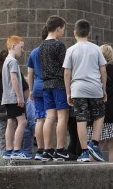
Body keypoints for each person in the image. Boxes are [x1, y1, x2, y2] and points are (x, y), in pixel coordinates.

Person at [63, 19, 107, 162]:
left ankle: (83, 153)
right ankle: (94, 143)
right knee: (99, 115)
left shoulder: (70, 50)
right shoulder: (96, 49)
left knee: (81, 119)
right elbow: (103, 70)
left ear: (74, 33)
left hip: (78, 88)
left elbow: (67, 73)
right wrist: (103, 88)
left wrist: (68, 92)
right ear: (90, 32)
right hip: (95, 87)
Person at [40, 15, 70, 161]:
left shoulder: (41, 46)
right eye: (63, 29)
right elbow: (66, 67)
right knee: (62, 117)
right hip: (59, 84)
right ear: (57, 29)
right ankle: (60, 149)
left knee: (49, 117)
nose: (63, 32)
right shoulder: (59, 45)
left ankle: (47, 150)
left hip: (46, 85)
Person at [1, 35, 31, 160]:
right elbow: (14, 79)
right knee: (22, 121)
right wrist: (20, 97)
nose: (22, 50)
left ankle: (8, 151)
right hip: (14, 97)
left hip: (7, 98)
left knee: (11, 122)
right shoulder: (13, 61)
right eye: (21, 47)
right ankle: (17, 150)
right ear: (13, 46)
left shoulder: (6, 61)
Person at [27, 26, 48, 160]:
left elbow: (30, 72)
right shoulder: (52, 49)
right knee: (51, 119)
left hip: (37, 87)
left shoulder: (34, 52)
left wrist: (30, 89)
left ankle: (40, 150)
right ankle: (49, 149)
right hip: (50, 87)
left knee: (40, 119)